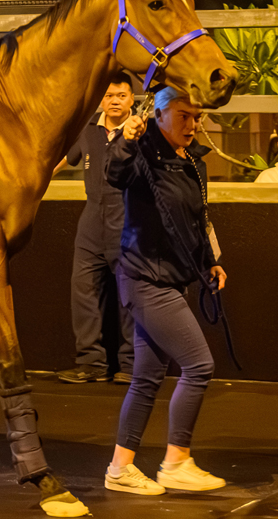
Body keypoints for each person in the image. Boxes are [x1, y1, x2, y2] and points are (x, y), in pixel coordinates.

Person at [101, 87, 228, 495]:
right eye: (184, 116)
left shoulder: (191, 161)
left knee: (146, 378)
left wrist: (211, 260)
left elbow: (197, 219)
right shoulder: (142, 156)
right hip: (146, 280)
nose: (193, 124)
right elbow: (113, 173)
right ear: (159, 115)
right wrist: (126, 137)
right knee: (199, 366)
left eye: (196, 117)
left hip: (170, 278)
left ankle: (120, 469)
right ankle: (176, 461)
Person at [57, 72, 136, 384]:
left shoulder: (141, 130)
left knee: (131, 297)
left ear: (132, 99)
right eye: (109, 95)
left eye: (121, 95)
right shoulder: (88, 128)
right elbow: (63, 160)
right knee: (84, 293)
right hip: (91, 219)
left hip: (128, 219)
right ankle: (90, 364)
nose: (114, 101)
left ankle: (131, 367)